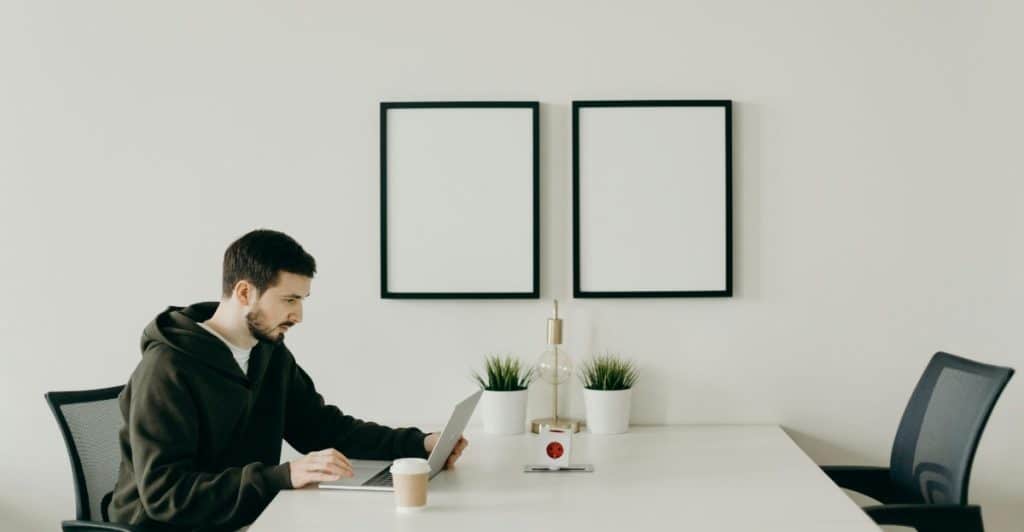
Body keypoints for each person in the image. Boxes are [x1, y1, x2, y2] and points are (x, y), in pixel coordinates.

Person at [108, 229, 468, 530]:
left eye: (303, 299)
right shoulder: (167, 368)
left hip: (246, 520)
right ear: (245, 292)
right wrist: (281, 477)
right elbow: (165, 496)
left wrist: (420, 444)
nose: (298, 315)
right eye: (289, 299)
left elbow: (326, 429)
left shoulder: (269, 354)